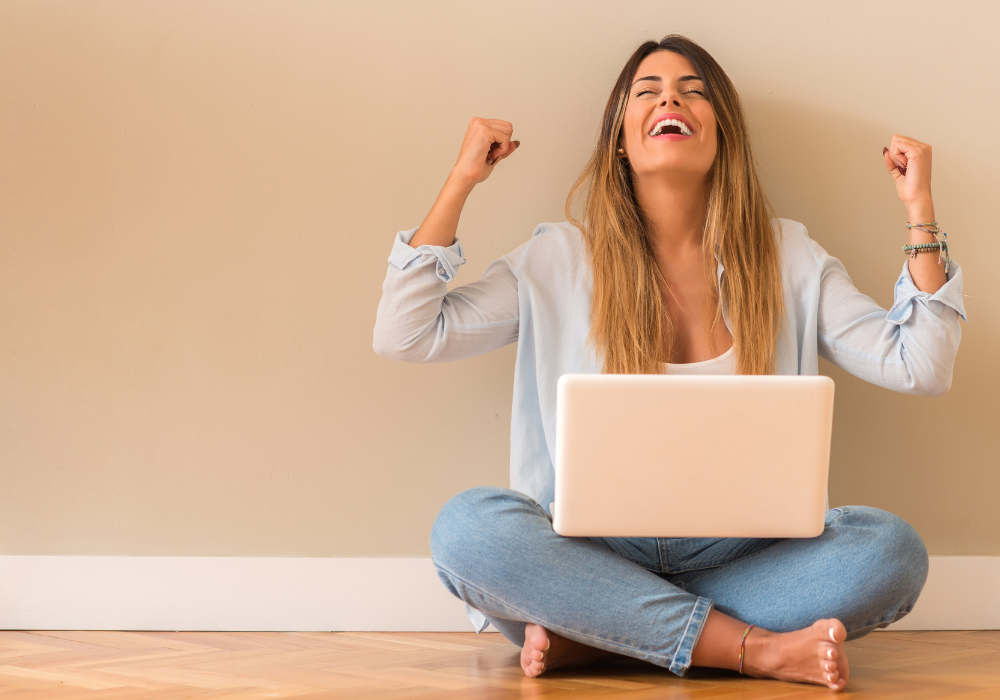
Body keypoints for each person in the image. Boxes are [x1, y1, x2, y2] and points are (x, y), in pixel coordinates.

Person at [372, 34, 965, 691]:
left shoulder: (788, 255)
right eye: (647, 92)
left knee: (891, 551)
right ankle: (750, 649)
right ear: (621, 141)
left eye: (692, 90)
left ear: (722, 135)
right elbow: (407, 333)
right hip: (585, 554)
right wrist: (462, 180)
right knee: (467, 530)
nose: (670, 99)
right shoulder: (557, 259)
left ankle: (602, 635)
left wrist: (921, 213)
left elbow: (921, 365)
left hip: (745, 560)